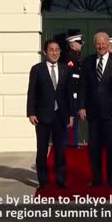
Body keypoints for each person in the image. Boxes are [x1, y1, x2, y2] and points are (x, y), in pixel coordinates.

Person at [78, 32, 112, 188]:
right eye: (98, 43)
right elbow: (82, 86)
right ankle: (97, 178)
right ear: (94, 44)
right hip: (92, 113)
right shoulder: (87, 62)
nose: (101, 46)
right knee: (94, 148)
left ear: (108, 44)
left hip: (111, 113)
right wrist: (81, 106)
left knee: (111, 147)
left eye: (103, 43)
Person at [27, 39, 74, 189]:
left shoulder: (65, 69)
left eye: (57, 50)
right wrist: (31, 113)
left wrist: (71, 115)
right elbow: (32, 93)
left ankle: (61, 179)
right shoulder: (37, 69)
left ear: (60, 52)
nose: (54, 52)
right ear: (45, 52)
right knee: (42, 150)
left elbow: (69, 94)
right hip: (42, 116)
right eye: (51, 50)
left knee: (60, 150)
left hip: (60, 116)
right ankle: (43, 181)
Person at [63, 29, 84, 148]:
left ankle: (73, 142)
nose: (81, 44)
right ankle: (69, 143)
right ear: (72, 44)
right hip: (72, 90)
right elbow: (70, 76)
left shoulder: (76, 56)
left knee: (75, 118)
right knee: (71, 118)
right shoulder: (70, 57)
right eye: (79, 42)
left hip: (76, 90)